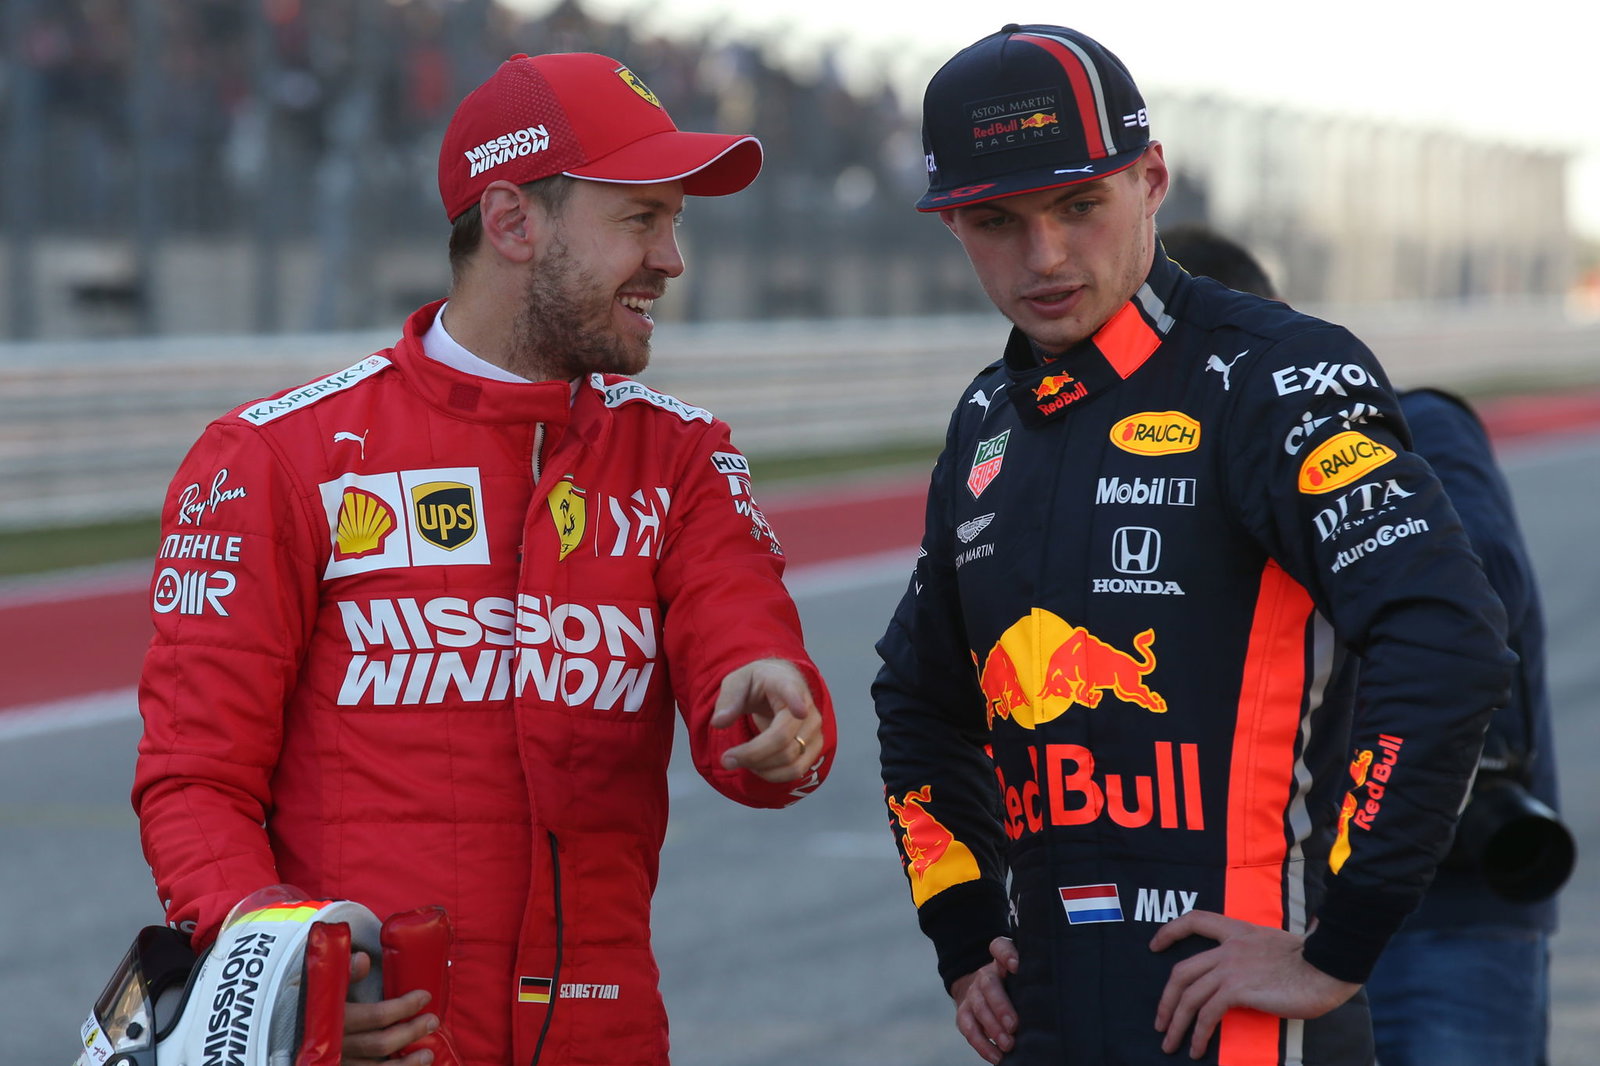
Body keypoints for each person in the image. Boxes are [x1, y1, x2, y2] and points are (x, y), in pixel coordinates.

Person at [132, 51, 836, 1066]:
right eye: (640, 219)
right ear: (511, 222)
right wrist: (283, 976)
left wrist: (776, 703)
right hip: (376, 1037)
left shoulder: (681, 456)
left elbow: (742, 645)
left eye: (674, 222)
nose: (672, 259)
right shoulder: (278, 456)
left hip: (607, 1036)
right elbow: (194, 780)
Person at [873, 24, 1515, 1066]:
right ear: (951, 223)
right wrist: (960, 932)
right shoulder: (986, 418)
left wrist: (1338, 943)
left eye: (1079, 205)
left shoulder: (1277, 375)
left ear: (1151, 180)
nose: (1044, 256)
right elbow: (919, 697)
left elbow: (1446, 635)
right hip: (1050, 1024)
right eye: (996, 221)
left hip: (1247, 1025)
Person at [1162, 222, 1567, 1066]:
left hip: (1451, 905)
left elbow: (1465, 609)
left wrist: (1338, 539)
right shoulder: (1172, 473)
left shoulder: (1414, 426)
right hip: (1278, 905)